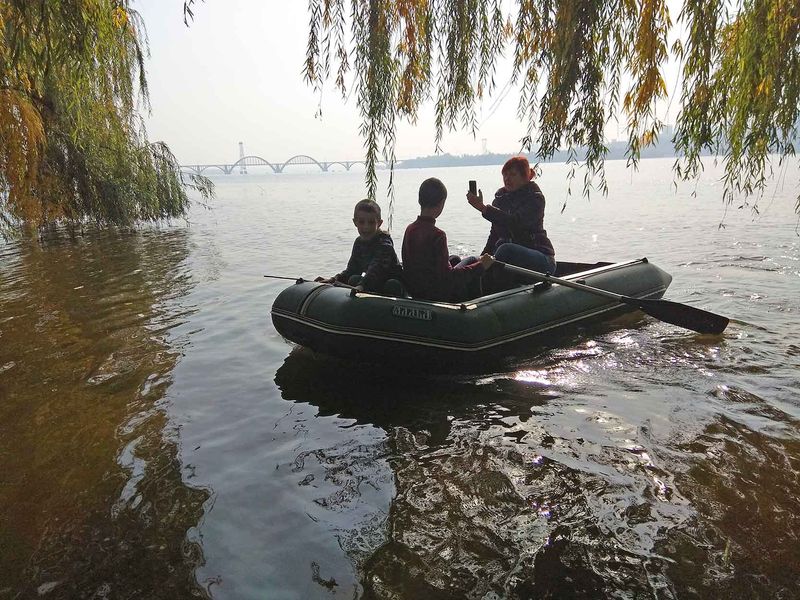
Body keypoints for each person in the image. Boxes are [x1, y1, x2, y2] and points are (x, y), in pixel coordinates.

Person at [466, 156, 556, 288]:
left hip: (541, 259)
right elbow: (494, 236)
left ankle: (496, 294)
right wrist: (481, 260)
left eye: (513, 174)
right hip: (509, 259)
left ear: (525, 177)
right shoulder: (500, 200)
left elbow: (515, 223)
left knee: (505, 250)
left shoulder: (535, 198)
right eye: (505, 175)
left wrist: (483, 209)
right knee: (475, 261)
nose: (507, 179)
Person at [402, 177, 494, 302]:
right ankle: (475, 305)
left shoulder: (409, 229)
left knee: (455, 259)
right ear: (441, 203)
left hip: (416, 290)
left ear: (419, 200)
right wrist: (480, 266)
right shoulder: (437, 235)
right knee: (473, 260)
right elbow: (447, 278)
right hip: (436, 294)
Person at [315, 199, 403, 293]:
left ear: (379, 223)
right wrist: (334, 279)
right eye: (361, 222)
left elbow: (376, 268)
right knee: (353, 278)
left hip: (391, 285)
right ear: (355, 222)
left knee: (392, 284)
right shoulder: (359, 242)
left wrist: (362, 286)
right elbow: (352, 269)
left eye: (371, 223)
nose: (366, 227)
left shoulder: (384, 244)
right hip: (373, 284)